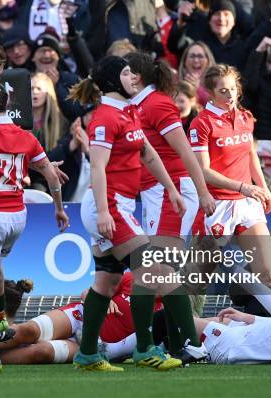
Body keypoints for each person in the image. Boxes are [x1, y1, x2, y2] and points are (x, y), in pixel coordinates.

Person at [69, 55, 185, 372]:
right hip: (110, 207)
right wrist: (105, 211)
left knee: (107, 282)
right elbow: (97, 166)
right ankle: (145, 348)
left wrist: (171, 189)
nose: (133, 78)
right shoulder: (105, 117)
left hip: (117, 206)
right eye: (126, 73)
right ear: (111, 81)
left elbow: (148, 153)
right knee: (152, 270)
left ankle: (88, 354)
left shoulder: (128, 111)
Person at [125, 51, 215, 359]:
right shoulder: (136, 106)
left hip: (172, 192)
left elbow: (185, 151)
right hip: (154, 194)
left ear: (135, 76)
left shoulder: (158, 104)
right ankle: (177, 346)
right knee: (155, 273)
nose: (121, 78)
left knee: (157, 270)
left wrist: (203, 192)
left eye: (125, 72)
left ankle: (188, 345)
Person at [0, 77, 69, 352]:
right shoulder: (26, 136)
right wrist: (59, 209)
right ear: (8, 105)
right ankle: (1, 322)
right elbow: (52, 176)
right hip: (17, 215)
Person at [117, 258, 271, 364]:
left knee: (171, 314)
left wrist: (234, 267)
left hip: (232, 348)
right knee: (203, 319)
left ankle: (116, 350)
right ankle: (166, 348)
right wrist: (247, 317)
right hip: (245, 340)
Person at [188, 64, 271, 297]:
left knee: (268, 274)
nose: (230, 95)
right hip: (216, 205)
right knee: (195, 281)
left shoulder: (245, 117)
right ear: (210, 93)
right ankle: (183, 330)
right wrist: (244, 186)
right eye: (223, 90)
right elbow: (203, 171)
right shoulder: (201, 123)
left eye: (233, 89)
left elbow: (250, 154)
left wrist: (262, 188)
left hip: (246, 204)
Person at [0, 272, 163, 364]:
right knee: (29, 330)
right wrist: (104, 299)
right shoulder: (130, 279)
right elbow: (87, 293)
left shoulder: (164, 312)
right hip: (80, 316)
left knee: (41, 352)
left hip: (94, 346)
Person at [177, 42, 216, 107]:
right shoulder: (175, 81)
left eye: (200, 56)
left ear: (208, 61)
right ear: (185, 62)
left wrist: (198, 89)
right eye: (192, 56)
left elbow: (216, 106)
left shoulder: (217, 82)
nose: (196, 60)